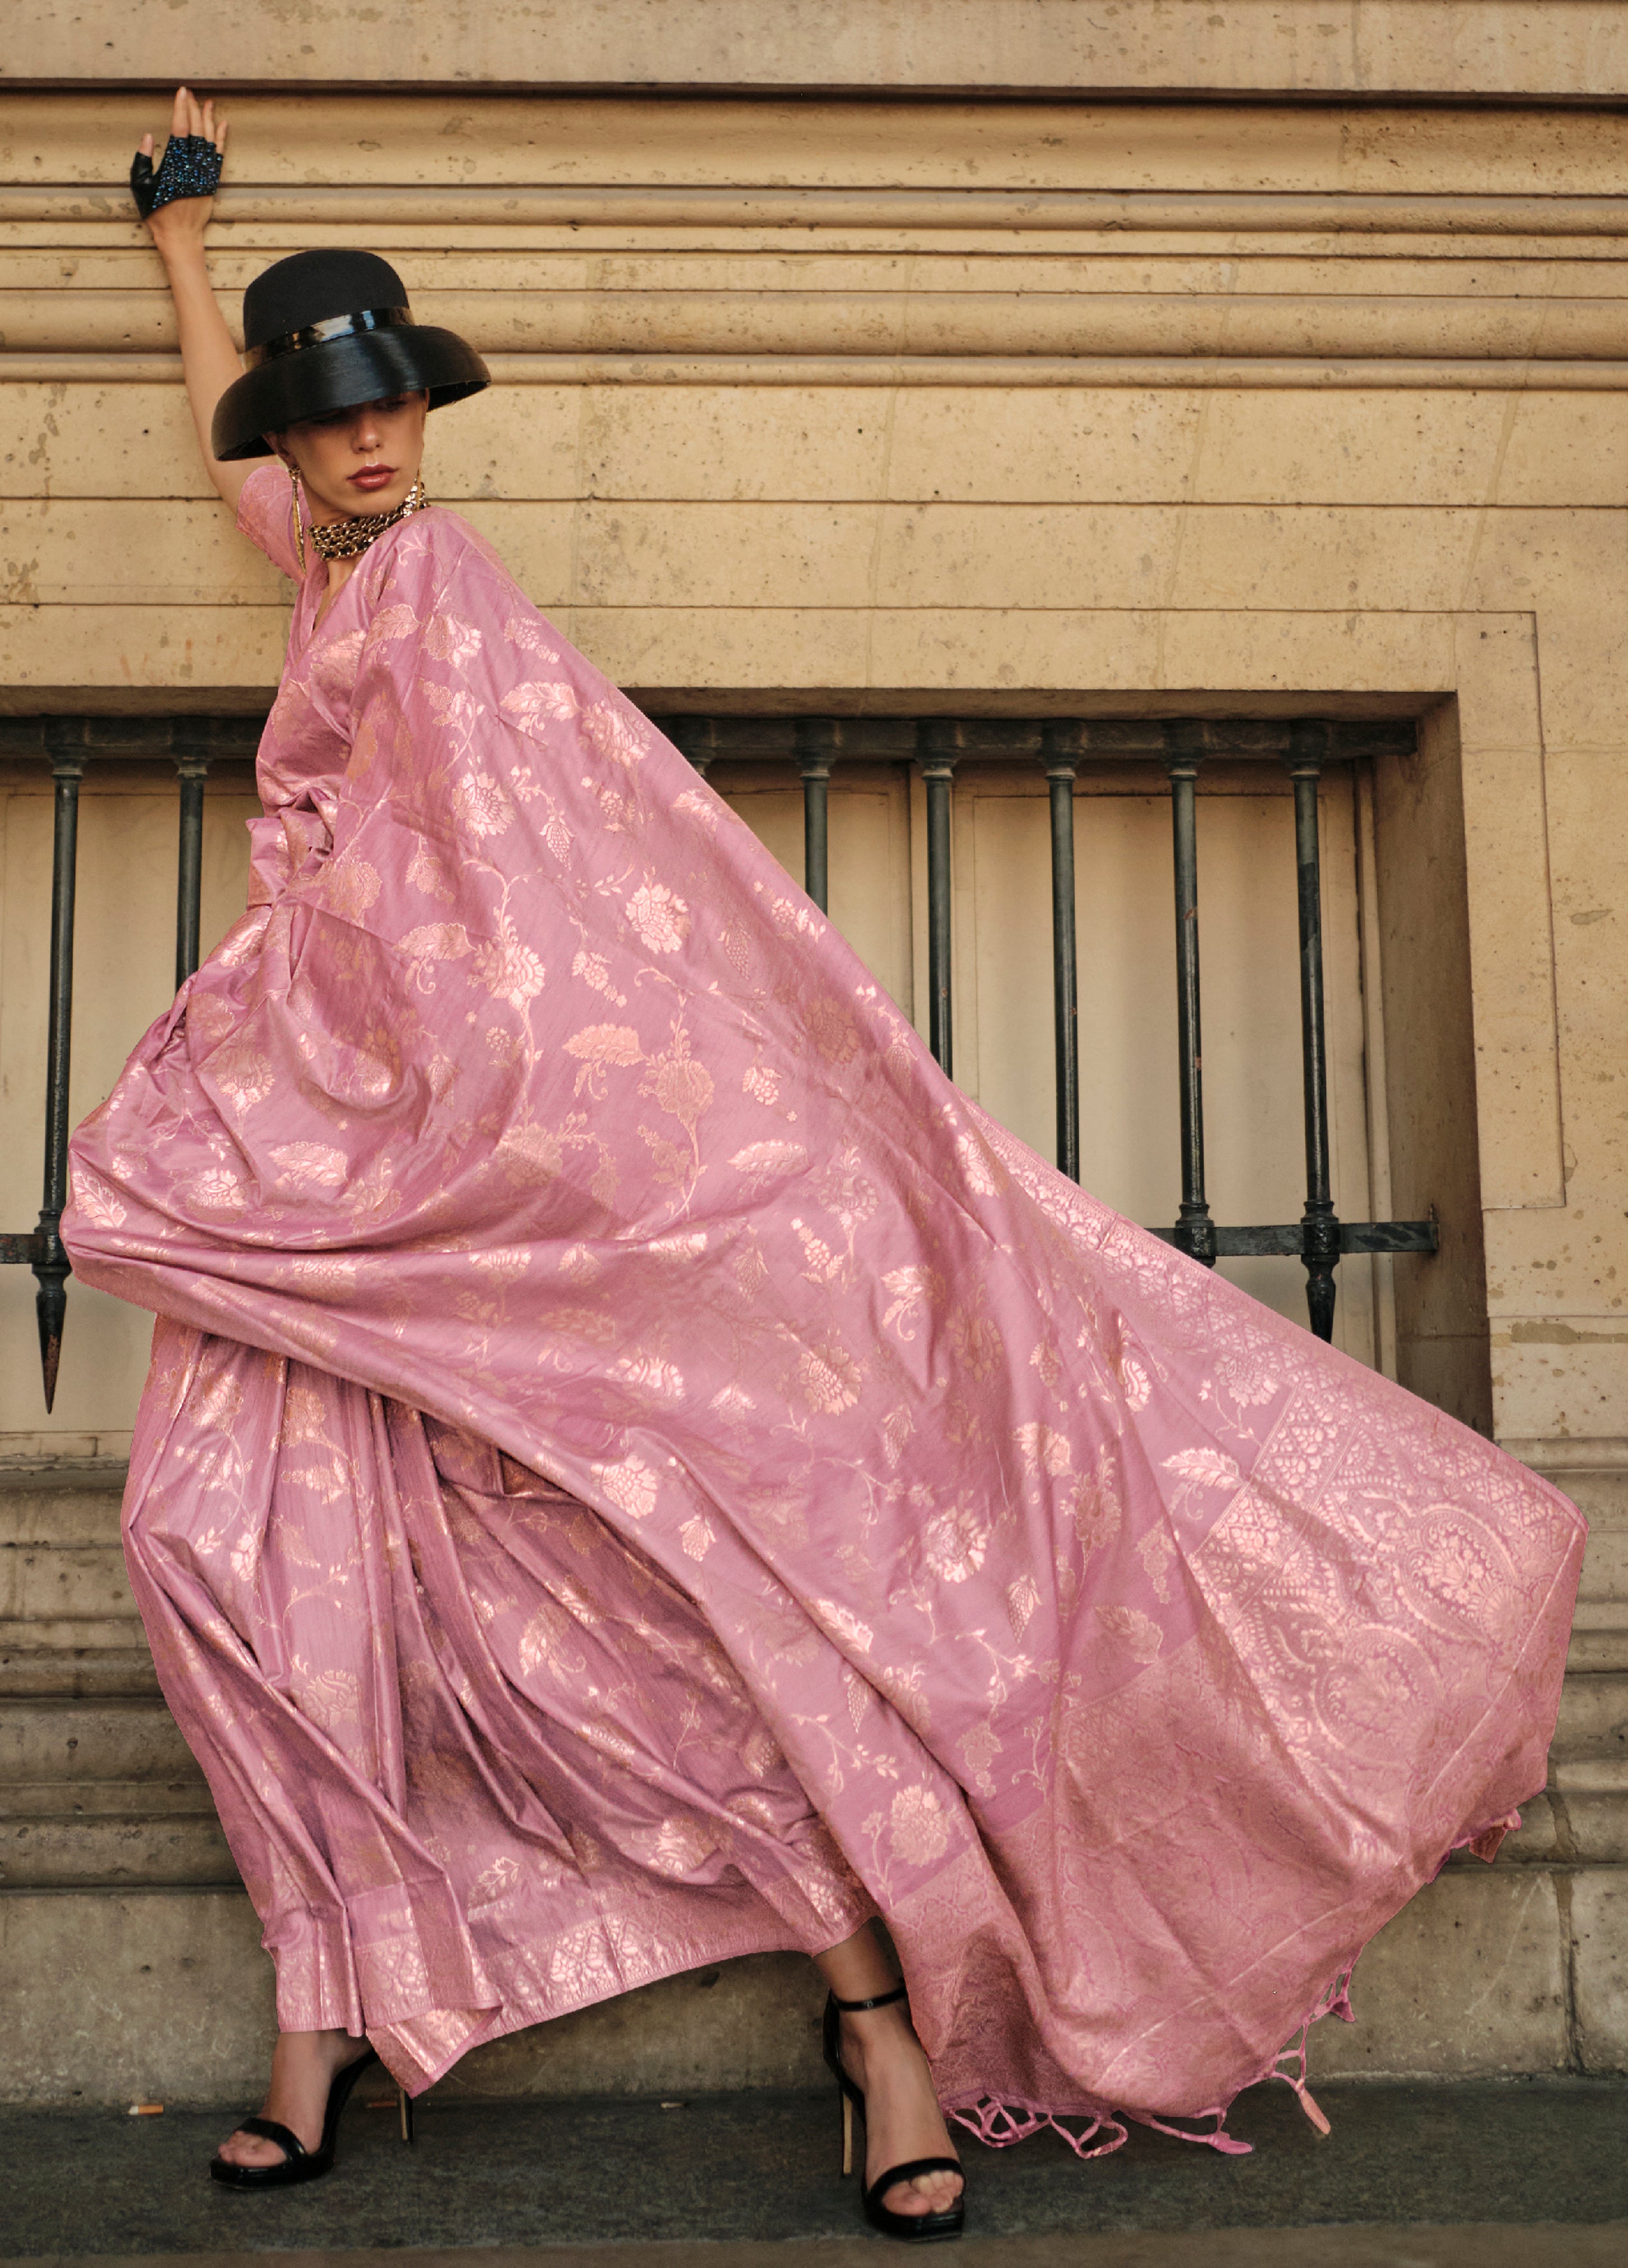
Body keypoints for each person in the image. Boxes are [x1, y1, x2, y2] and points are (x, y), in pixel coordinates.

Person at [66, 87, 1584, 2238]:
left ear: (421, 413)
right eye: (331, 417)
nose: (369, 438)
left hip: (412, 1182)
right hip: (315, 1196)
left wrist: (440, 1143)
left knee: (675, 1611)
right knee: (220, 1556)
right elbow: (227, 471)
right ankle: (325, 2010)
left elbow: (539, 910)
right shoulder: (331, 566)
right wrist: (182, 247)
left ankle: (871, 2024)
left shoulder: (441, 596)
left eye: (390, 400)